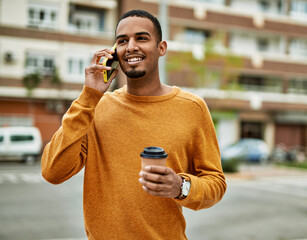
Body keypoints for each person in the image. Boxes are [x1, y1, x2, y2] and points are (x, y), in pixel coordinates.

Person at [41, 9, 226, 239]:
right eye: (122, 41)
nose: (130, 47)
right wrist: (89, 96)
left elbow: (215, 183)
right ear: (115, 53)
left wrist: (180, 186)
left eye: (141, 38)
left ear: (161, 48)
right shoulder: (95, 107)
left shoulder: (192, 108)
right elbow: (53, 171)